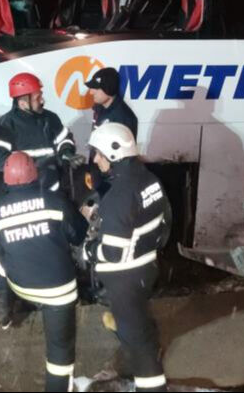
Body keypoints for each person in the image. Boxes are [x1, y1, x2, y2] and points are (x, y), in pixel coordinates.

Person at [0, 152, 89, 392]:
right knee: (60, 354)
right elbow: (78, 236)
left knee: (3, 263)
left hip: (22, 286)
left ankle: (4, 301)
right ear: (35, 174)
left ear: (6, 179)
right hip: (59, 291)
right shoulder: (55, 200)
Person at [83, 123, 170, 392]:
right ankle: (131, 327)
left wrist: (86, 252)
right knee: (136, 322)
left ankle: (151, 384)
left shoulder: (119, 196)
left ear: (113, 153)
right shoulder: (149, 179)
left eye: (98, 154)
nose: (95, 160)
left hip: (125, 278)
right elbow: (165, 223)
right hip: (146, 268)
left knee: (140, 348)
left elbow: (113, 253)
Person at [0, 72, 83, 193]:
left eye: (41, 96)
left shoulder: (50, 118)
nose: (42, 101)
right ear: (23, 103)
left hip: (53, 190)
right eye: (37, 98)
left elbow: (64, 139)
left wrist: (67, 153)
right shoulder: (4, 126)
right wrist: (35, 164)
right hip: (23, 193)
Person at [86, 67, 138, 139]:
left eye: (96, 88)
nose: (91, 92)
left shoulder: (123, 118)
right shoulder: (100, 108)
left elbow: (122, 149)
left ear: (109, 89)